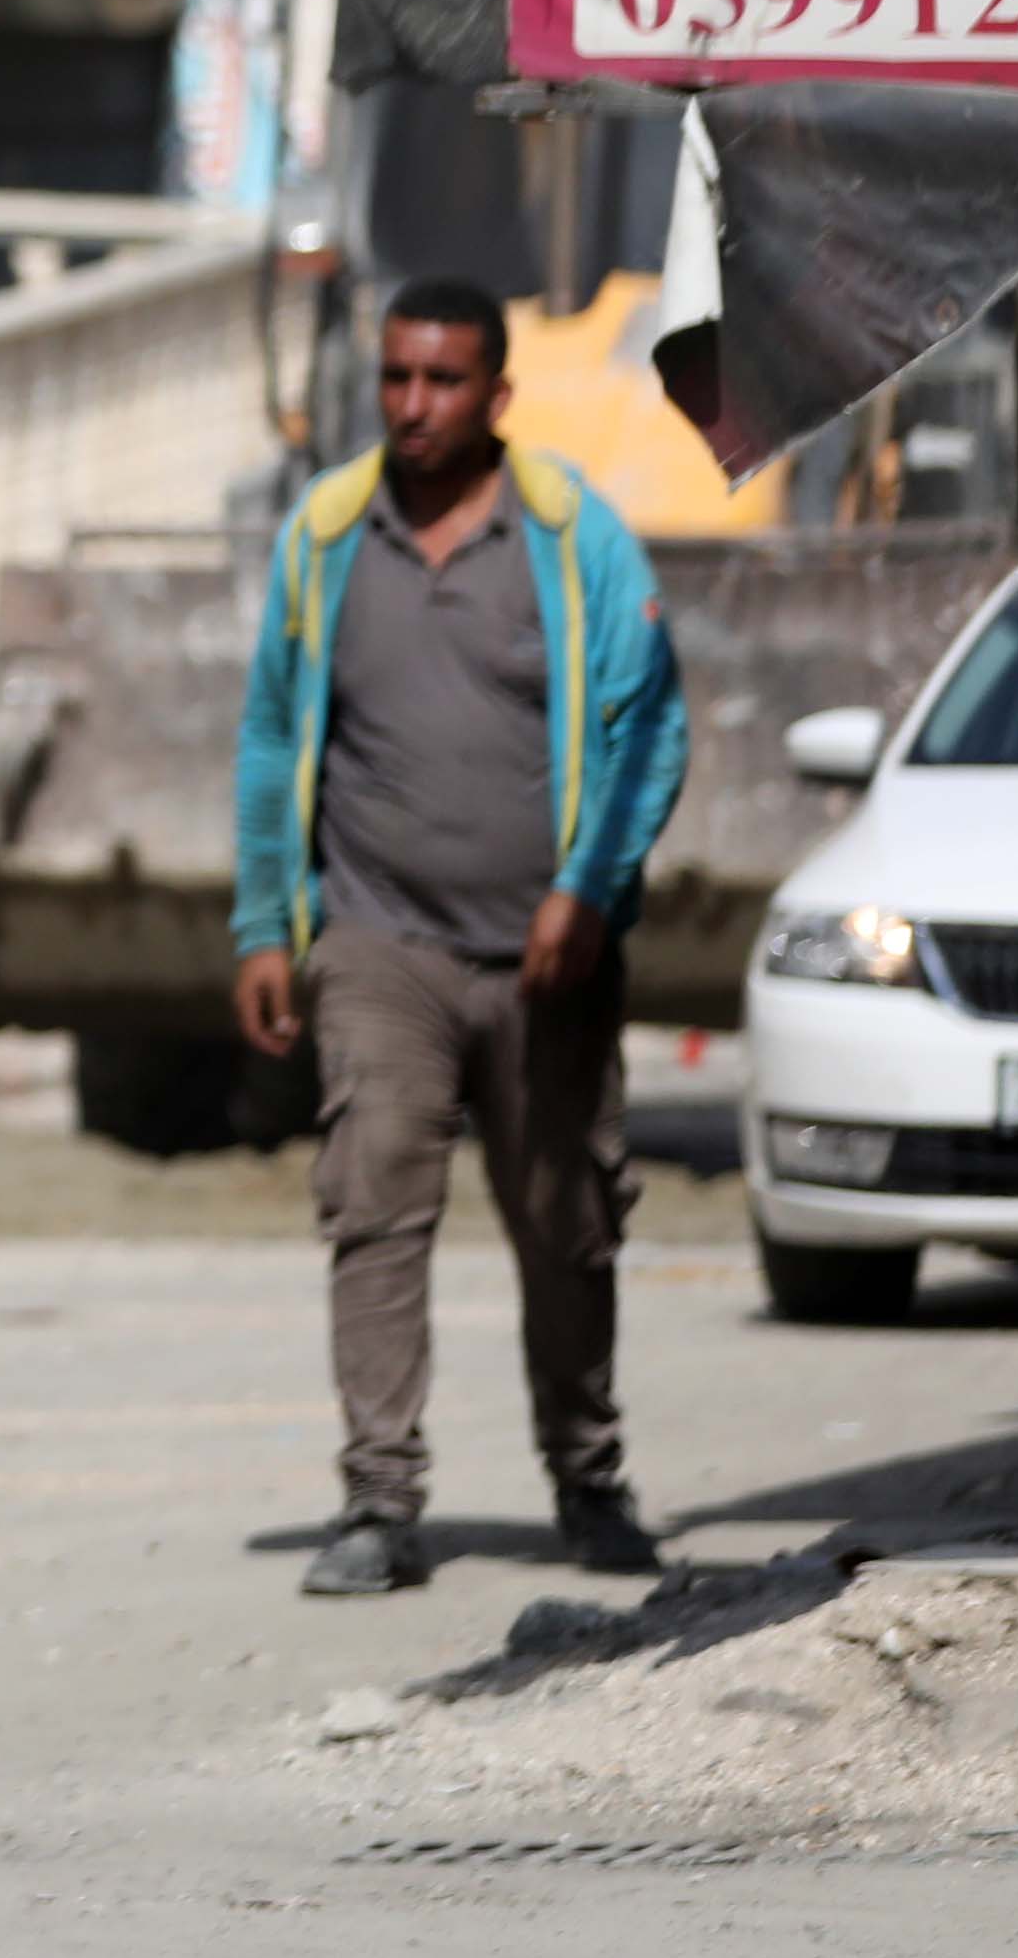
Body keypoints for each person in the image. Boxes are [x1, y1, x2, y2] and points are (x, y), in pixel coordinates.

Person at [229, 277, 686, 1596]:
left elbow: (651, 725)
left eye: (441, 383)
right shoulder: (325, 537)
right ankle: (379, 1504)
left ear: (496, 396)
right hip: (380, 946)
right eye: (395, 379)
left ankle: (589, 1481)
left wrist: (588, 891)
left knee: (567, 1221)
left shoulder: (570, 538)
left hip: (553, 957)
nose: (411, 405)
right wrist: (266, 921)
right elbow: (271, 734)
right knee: (374, 1203)